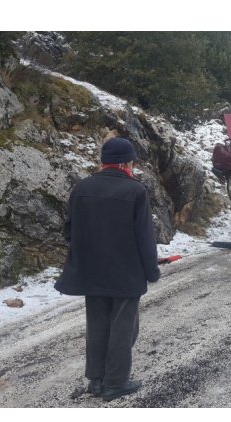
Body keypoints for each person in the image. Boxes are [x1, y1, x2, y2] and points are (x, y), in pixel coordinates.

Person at [54, 137, 160, 402]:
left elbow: (69, 230)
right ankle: (115, 382)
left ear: (103, 162)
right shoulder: (136, 191)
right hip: (126, 273)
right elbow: (144, 238)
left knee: (97, 324)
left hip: (92, 271)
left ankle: (96, 380)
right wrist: (152, 271)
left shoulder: (82, 187)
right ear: (126, 162)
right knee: (123, 328)